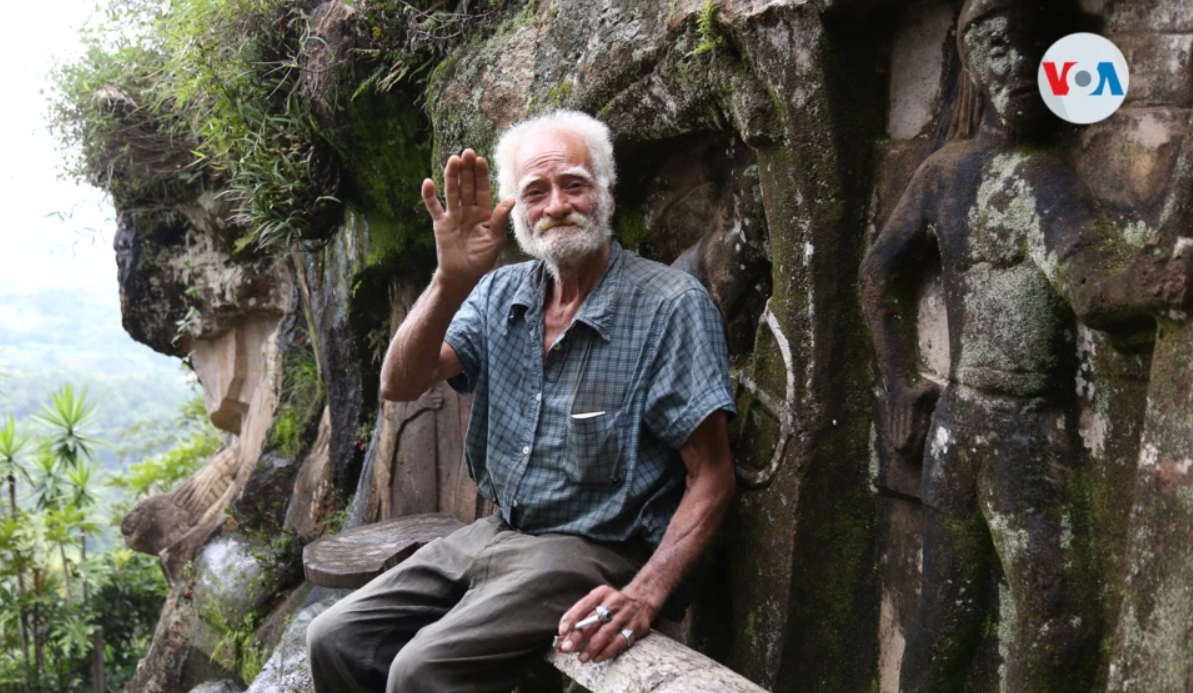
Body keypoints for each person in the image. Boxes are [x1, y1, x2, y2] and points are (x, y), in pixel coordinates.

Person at [307, 109, 737, 693]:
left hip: (596, 550)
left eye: (575, 185)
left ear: (606, 194)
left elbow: (711, 476)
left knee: (419, 671)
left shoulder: (669, 305)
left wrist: (644, 594)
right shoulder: (500, 292)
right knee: (333, 636)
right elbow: (400, 384)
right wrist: (448, 280)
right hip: (498, 533)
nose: (557, 204)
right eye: (536, 191)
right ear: (514, 210)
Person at [862, 1, 1191, 691]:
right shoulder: (1013, 176)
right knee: (1050, 620)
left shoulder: (977, 173)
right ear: (971, 65)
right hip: (1013, 437)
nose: (1016, 66)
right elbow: (1094, 291)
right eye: (995, 47)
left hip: (967, 428)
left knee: (949, 614)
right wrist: (1159, 280)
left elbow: (1090, 284)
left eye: (1034, 48)